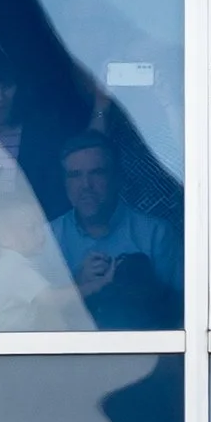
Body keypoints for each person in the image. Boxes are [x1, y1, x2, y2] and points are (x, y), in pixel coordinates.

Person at [39, 130, 183, 331]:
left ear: (117, 179)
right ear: (65, 183)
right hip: (69, 354)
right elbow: (36, 315)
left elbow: (182, 312)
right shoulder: (47, 237)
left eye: (96, 173)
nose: (86, 185)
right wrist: (77, 283)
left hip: (141, 351)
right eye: (75, 175)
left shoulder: (155, 235)